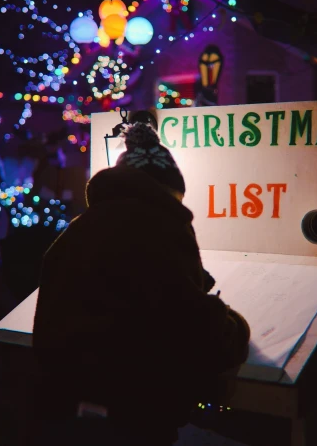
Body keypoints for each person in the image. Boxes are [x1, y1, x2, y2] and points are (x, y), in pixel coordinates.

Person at [32, 122, 250, 446]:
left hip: (60, 416)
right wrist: (234, 323)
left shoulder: (78, 230)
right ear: (165, 190)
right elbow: (202, 335)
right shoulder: (162, 227)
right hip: (131, 421)